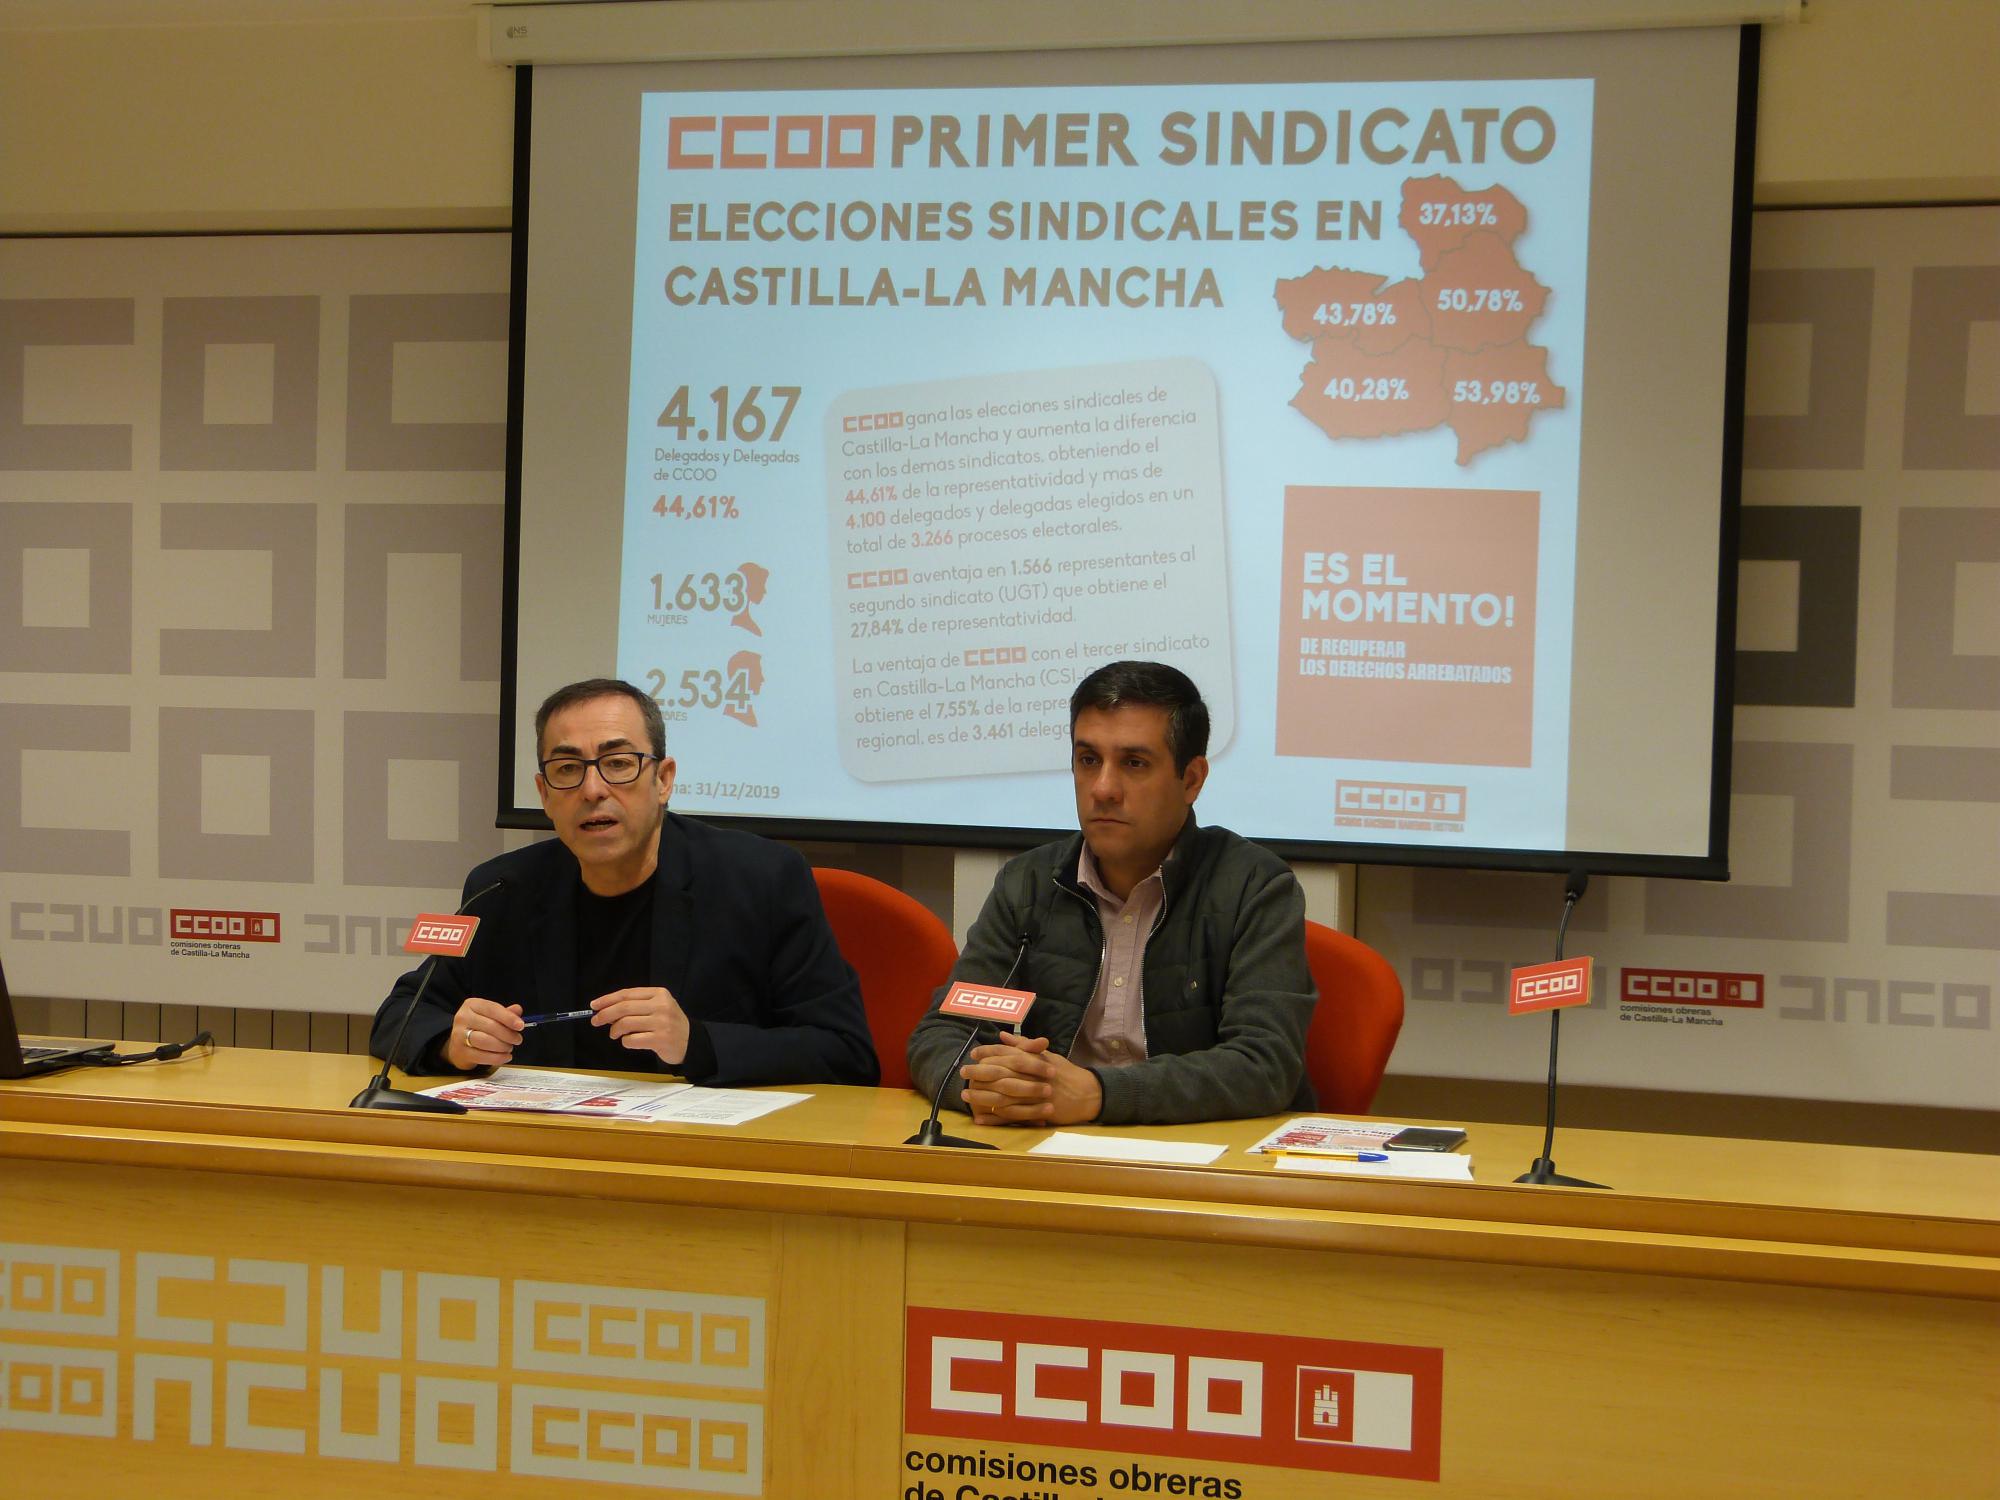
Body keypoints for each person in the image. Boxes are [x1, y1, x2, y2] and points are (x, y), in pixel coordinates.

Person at [369, 678, 878, 1087]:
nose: (593, 789)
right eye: (568, 769)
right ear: (544, 795)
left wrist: (696, 1042)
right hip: (545, 1150)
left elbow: (845, 1052)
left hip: (701, 1156)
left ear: (664, 779)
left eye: (618, 764)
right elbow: (400, 1014)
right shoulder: (502, 889)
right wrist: (452, 1042)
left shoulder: (761, 879)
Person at [907, 660, 1315, 1126]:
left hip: (1195, 1150)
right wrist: (987, 1086)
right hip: (1044, 1143)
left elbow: (1264, 1064)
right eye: (1088, 760)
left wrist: (1099, 1094)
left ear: (1191, 780)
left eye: (1134, 763)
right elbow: (942, 1034)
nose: (1102, 789)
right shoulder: (1028, 883)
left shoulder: (1254, 887)